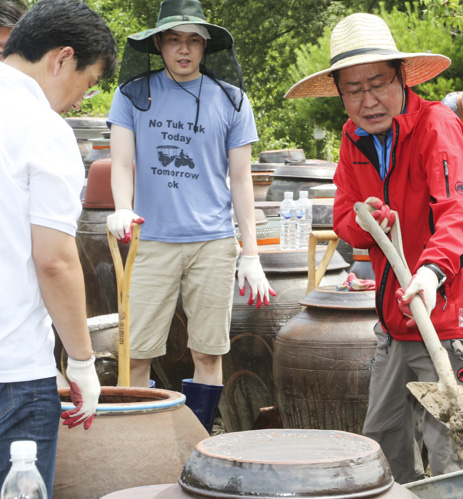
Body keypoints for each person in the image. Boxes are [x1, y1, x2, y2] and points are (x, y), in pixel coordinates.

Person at [285, 13, 463, 483]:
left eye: (378, 83)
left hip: (449, 321)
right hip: (396, 321)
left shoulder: (437, 126)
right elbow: (344, 217)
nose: (368, 100)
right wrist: (370, 221)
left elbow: (462, 214)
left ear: (402, 78)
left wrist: (430, 272)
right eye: (354, 89)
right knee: (381, 447)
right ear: (340, 94)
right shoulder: (351, 139)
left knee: (452, 459)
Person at [106, 0, 273, 433]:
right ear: (159, 43)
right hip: (151, 240)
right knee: (138, 351)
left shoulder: (232, 100)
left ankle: (197, 437)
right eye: (175, 40)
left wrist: (250, 253)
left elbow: (240, 179)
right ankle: (134, 439)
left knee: (208, 351)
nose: (184, 49)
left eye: (193, 40)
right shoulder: (131, 95)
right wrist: (123, 207)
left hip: (213, 242)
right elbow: (122, 164)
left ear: (205, 46)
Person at [0, 0, 117, 492]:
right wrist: (83, 363)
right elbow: (54, 262)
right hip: (14, 368)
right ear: (61, 58)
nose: (75, 100)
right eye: (86, 83)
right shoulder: (42, 129)